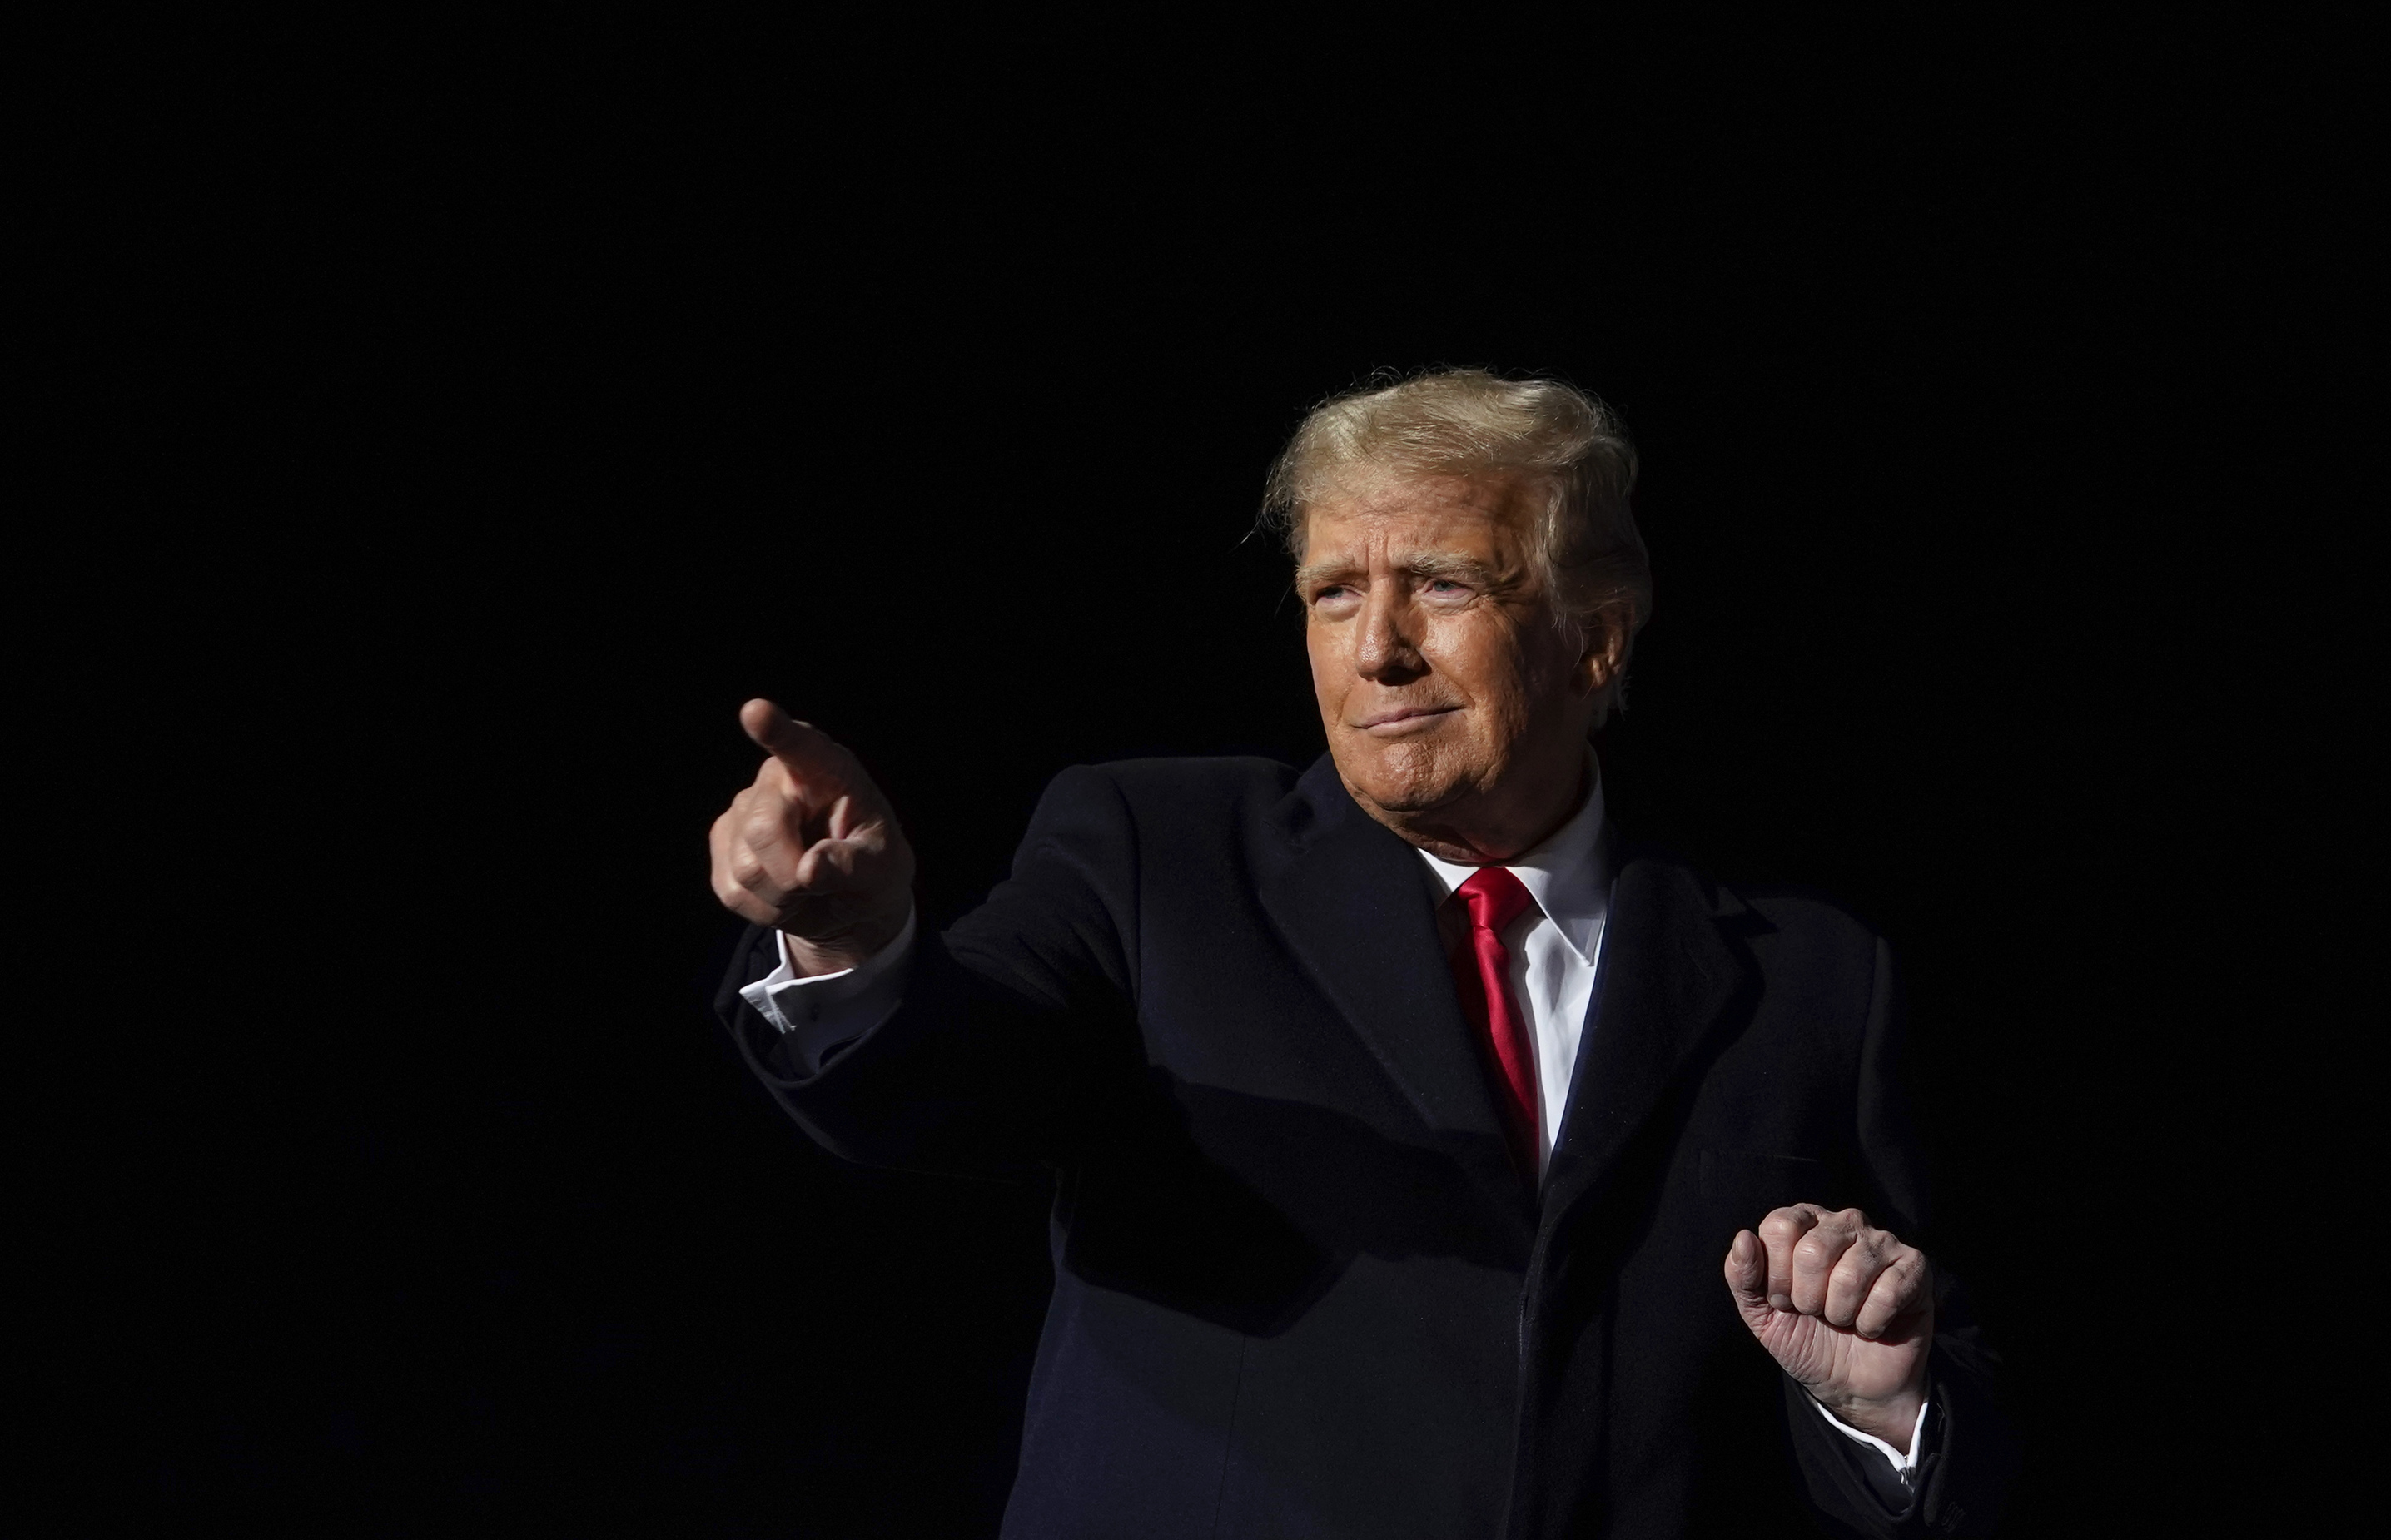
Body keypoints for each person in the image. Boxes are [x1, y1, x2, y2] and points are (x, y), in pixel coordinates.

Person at [708, 370, 2016, 1538]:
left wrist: (1880, 1410)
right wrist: (855, 936)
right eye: (1334, 593)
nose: (1377, 649)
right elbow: (958, 1060)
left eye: (1441, 584)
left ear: (1595, 636)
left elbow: (1938, 1400)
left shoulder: (1814, 980)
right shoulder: (1155, 853)